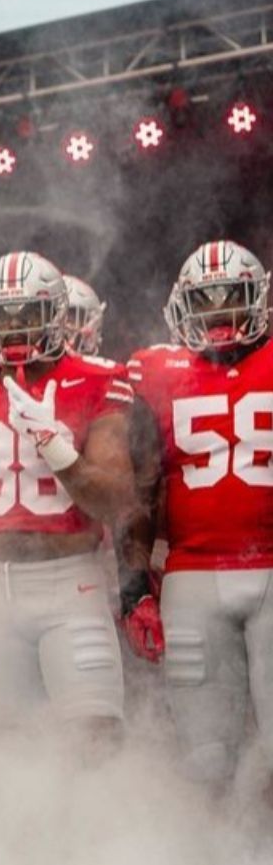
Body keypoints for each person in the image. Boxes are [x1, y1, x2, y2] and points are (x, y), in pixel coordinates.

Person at [0, 251, 134, 742]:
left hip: (72, 584)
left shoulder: (96, 380)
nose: (14, 331)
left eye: (28, 316)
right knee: (0, 749)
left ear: (57, 315)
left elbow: (114, 502)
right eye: (2, 317)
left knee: (95, 737)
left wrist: (53, 444)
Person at [123, 241, 273, 797]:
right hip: (192, 577)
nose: (218, 315)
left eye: (231, 299)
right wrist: (134, 587)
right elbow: (140, 486)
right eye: (204, 303)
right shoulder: (155, 372)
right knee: (206, 757)